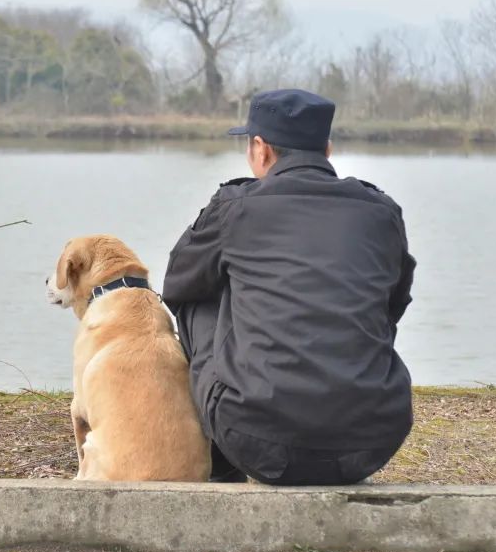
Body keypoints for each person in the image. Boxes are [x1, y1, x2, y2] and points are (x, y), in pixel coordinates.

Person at [163, 88, 415, 485]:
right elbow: (393, 305)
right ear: (327, 150)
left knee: (200, 300)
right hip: (369, 444)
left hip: (255, 440)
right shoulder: (381, 211)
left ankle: (220, 464)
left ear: (260, 149)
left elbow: (178, 286)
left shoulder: (235, 206)